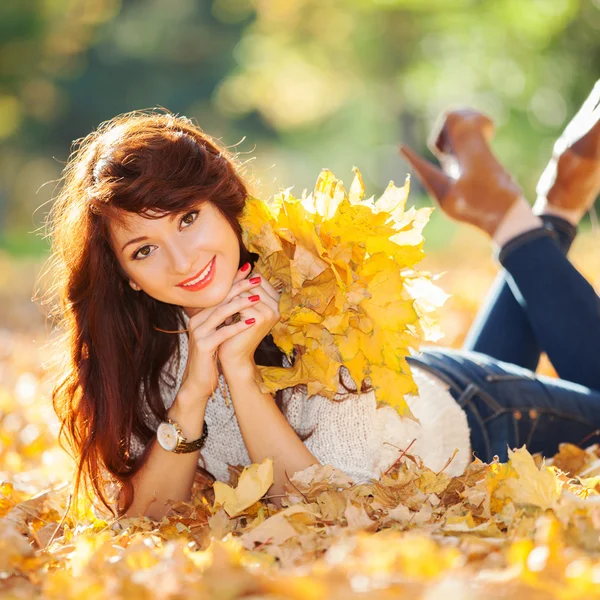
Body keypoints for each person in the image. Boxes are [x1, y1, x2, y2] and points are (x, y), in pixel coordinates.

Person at [42, 80, 599, 521]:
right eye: (144, 250)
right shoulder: (146, 355)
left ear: (224, 207)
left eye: (188, 218)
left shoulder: (320, 293)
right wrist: (196, 390)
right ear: (127, 277)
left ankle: (512, 216)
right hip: (418, 406)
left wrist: (243, 375)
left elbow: (330, 505)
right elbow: (149, 517)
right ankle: (548, 208)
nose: (182, 260)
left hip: (474, 415)